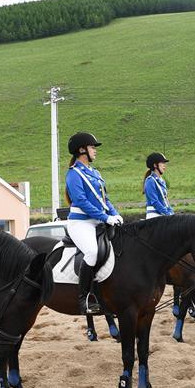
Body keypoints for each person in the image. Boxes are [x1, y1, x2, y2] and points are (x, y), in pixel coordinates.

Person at [65, 132, 123, 315]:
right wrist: (106, 217)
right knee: (92, 252)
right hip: (81, 223)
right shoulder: (73, 174)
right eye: (92, 147)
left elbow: (105, 199)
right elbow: (81, 201)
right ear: (82, 150)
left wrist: (115, 214)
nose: (95, 151)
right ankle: (84, 298)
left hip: (97, 221)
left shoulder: (95, 173)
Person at [144, 152, 173, 219]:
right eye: (162, 163)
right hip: (154, 217)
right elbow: (154, 202)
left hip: (163, 215)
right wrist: (167, 213)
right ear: (155, 165)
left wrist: (171, 212)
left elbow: (165, 200)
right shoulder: (150, 181)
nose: (164, 166)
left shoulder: (162, 181)